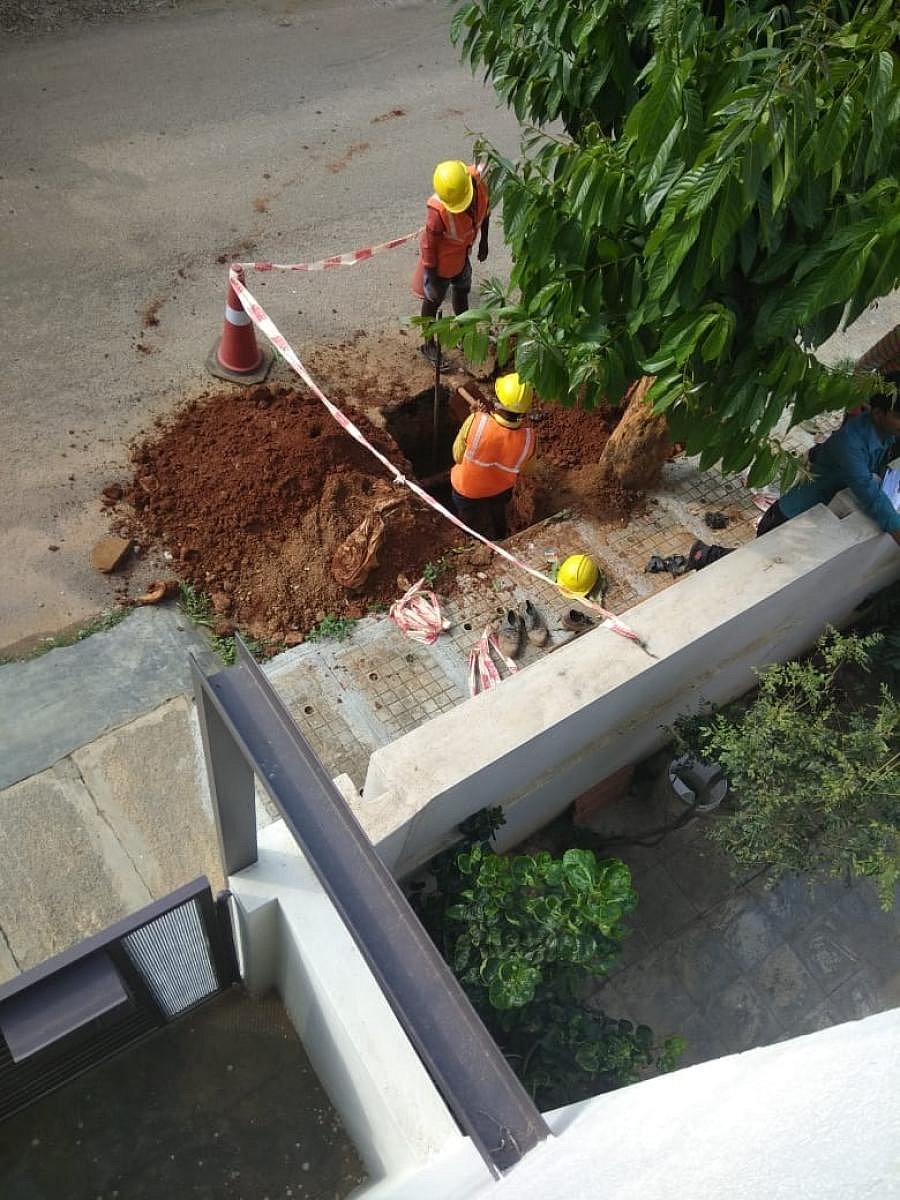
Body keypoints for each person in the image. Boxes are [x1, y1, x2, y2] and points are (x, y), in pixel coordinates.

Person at [756, 381, 900, 545]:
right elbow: (868, 491)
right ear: (878, 413)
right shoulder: (849, 443)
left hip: (823, 517)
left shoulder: (886, 431)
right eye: (898, 417)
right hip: (790, 520)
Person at [412, 160, 490, 368]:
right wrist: (432, 276)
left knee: (462, 290)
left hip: (463, 255)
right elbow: (428, 245)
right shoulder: (438, 212)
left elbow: (486, 210)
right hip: (442, 266)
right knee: (432, 300)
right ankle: (429, 344)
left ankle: (464, 334)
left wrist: (484, 240)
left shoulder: (479, 184)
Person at [450, 373, 536, 540]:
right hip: (500, 491)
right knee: (498, 511)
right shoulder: (529, 440)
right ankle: (501, 536)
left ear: (498, 404)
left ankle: (468, 538)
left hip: (467, 490)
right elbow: (527, 470)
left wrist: (475, 417)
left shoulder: (476, 422)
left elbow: (457, 456)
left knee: (466, 516)